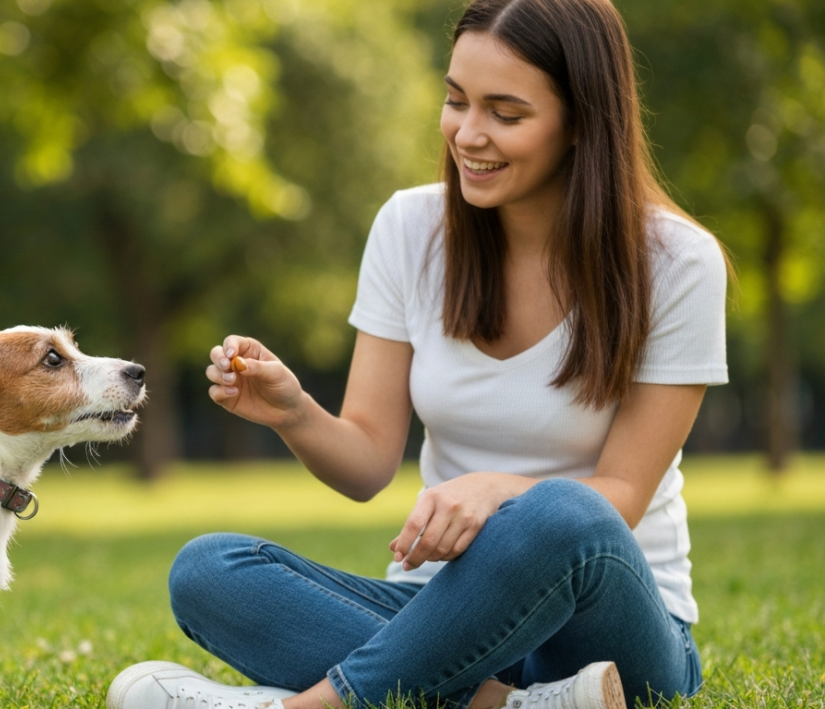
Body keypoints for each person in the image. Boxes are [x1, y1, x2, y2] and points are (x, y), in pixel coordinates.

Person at [106, 0, 728, 708]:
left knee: (564, 512)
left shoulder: (677, 262)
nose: (468, 134)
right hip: (442, 614)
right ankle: (512, 703)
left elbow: (622, 494)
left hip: (611, 628)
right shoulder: (410, 227)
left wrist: (497, 489)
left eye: (506, 114)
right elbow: (368, 461)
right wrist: (294, 412)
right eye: (456, 101)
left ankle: (309, 707)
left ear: (583, 120)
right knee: (208, 570)